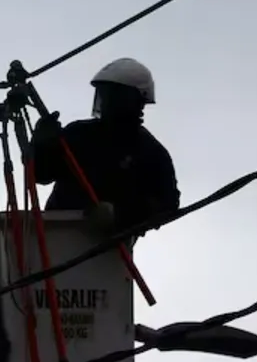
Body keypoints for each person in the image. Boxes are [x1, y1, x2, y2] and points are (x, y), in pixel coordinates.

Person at [30, 57, 180, 238]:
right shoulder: (78, 133)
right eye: (105, 94)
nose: (107, 101)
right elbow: (41, 174)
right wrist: (42, 144)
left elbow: (167, 204)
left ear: (137, 100)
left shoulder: (150, 153)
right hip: (57, 236)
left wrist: (120, 215)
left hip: (107, 249)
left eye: (115, 95)